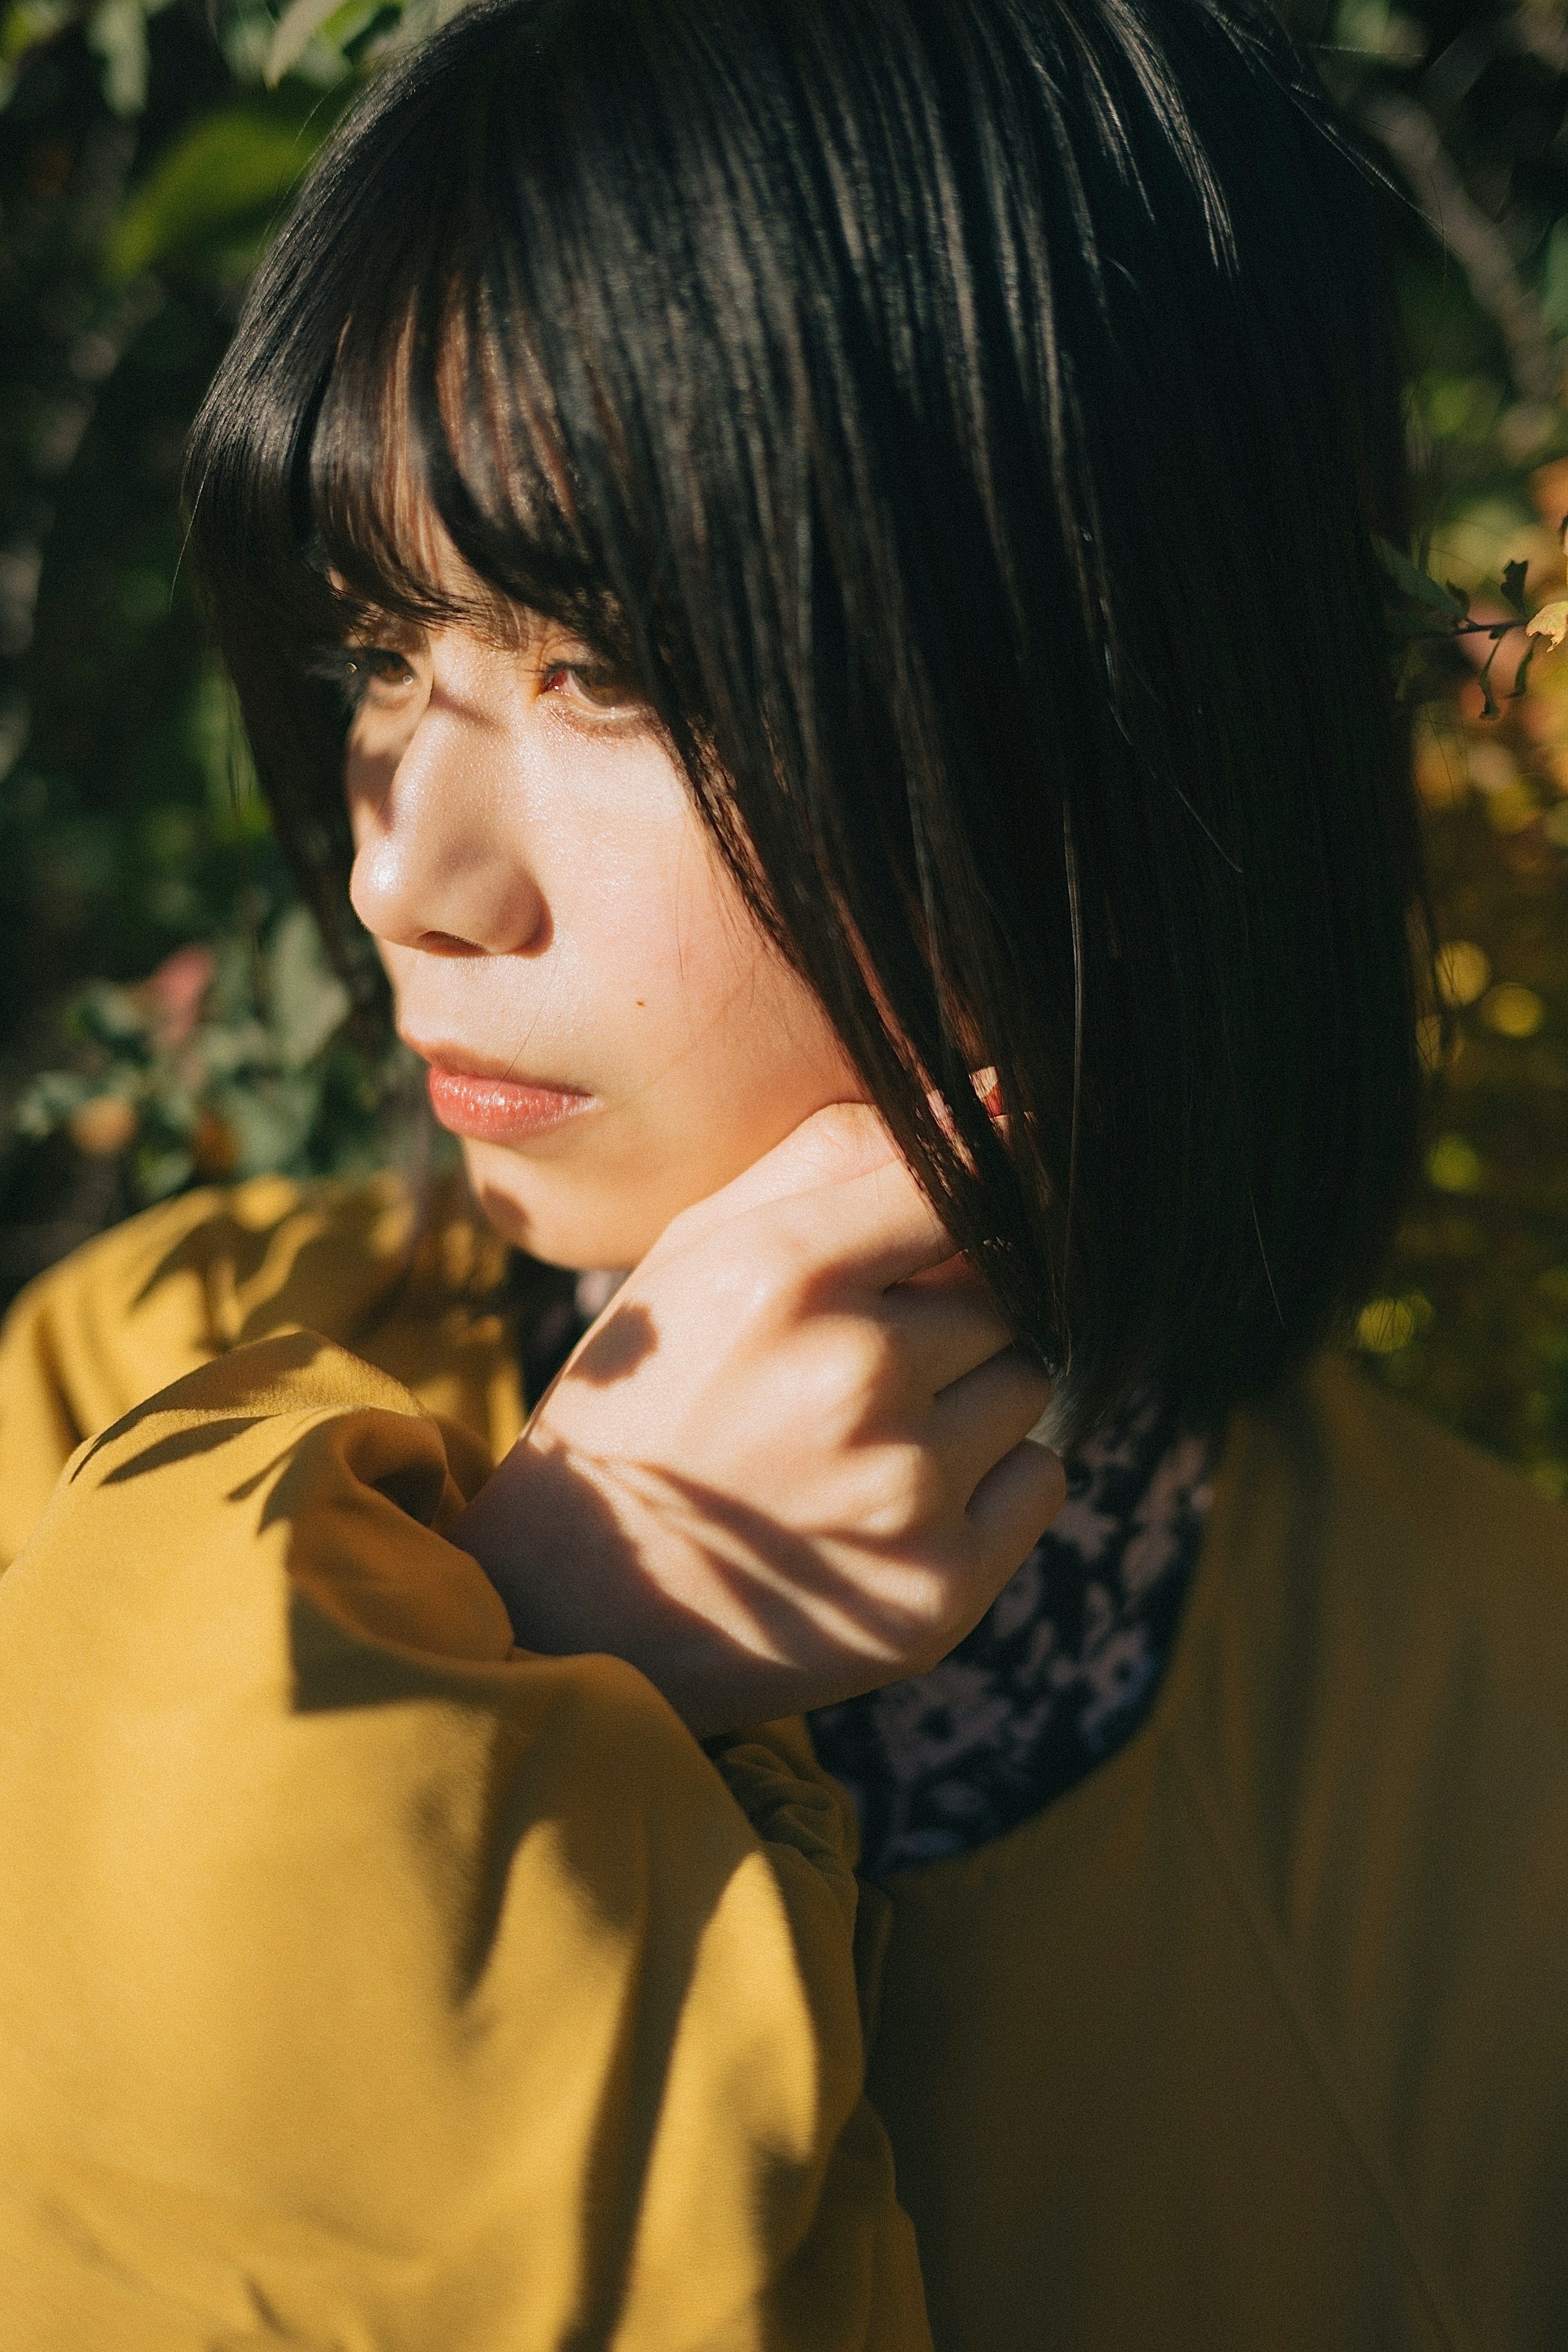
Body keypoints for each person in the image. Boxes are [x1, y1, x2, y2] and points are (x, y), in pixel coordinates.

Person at [0, 0, 1565, 2342]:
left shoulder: (1499, 1755)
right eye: (381, 656)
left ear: (1115, 688)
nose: (407, 868)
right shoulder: (126, 1407)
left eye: (611, 668)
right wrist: (546, 1632)